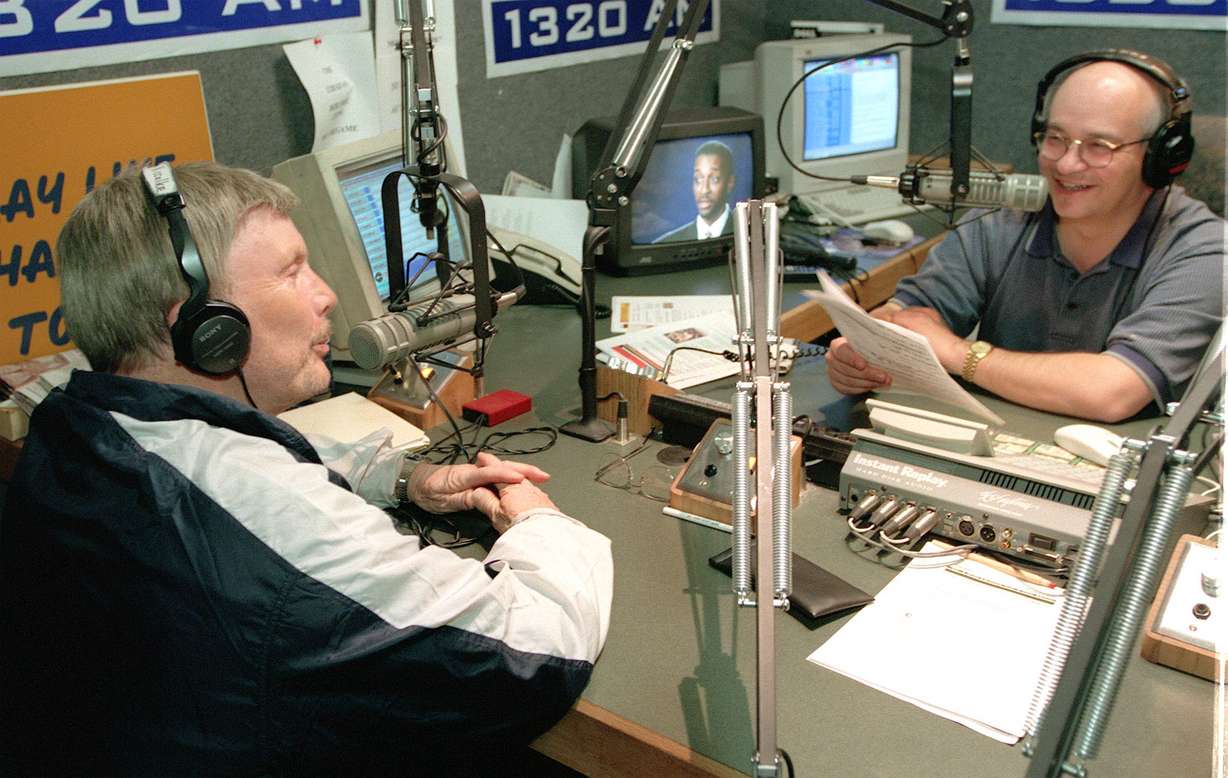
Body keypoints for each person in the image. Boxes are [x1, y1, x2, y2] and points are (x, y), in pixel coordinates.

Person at [0, 162, 613, 774]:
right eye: (292, 273)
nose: (326, 294)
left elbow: (224, 467)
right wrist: (543, 527)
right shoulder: (259, 510)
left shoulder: (77, 423)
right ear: (202, 325)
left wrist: (405, 480)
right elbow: (536, 655)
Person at [826, 50, 1224, 423]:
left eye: (1099, 147)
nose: (1066, 164)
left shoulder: (1204, 251)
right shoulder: (1003, 220)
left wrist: (958, 354)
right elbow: (908, 317)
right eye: (1055, 138)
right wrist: (866, 353)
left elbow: (1114, 391)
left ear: (1162, 156)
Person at [656, 140, 738, 242]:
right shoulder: (666, 243)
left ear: (730, 182)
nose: (704, 190)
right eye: (698, 179)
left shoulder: (748, 234)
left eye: (714, 179)